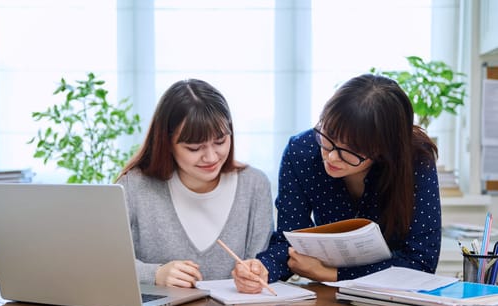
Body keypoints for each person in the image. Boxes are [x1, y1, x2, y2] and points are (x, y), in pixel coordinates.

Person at [233, 73, 441, 293]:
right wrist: (262, 269)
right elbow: (289, 242)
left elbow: (421, 262)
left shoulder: (415, 159)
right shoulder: (301, 152)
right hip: (328, 299)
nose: (331, 157)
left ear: (384, 150)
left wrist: (331, 274)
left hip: (393, 301)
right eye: (328, 136)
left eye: (350, 151)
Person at [117, 78, 273, 288]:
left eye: (220, 142)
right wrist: (156, 274)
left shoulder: (254, 185)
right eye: (194, 148)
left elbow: (259, 263)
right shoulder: (135, 187)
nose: (211, 157)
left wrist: (255, 275)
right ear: (167, 144)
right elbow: (101, 260)